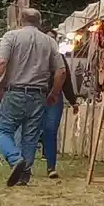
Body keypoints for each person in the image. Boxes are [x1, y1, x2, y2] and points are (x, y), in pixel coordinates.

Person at [0, 8, 64, 187]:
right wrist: (54, 93)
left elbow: (1, 62)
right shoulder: (50, 42)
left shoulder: (11, 36)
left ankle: (15, 160)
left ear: (20, 20)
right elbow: (61, 71)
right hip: (39, 95)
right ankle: (24, 175)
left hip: (15, 92)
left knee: (4, 131)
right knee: (30, 136)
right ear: (40, 21)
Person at [39, 47, 79, 179]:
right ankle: (26, 166)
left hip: (54, 97)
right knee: (31, 130)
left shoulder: (59, 58)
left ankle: (51, 167)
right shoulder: (36, 55)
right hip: (36, 95)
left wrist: (73, 100)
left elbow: (66, 80)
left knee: (51, 130)